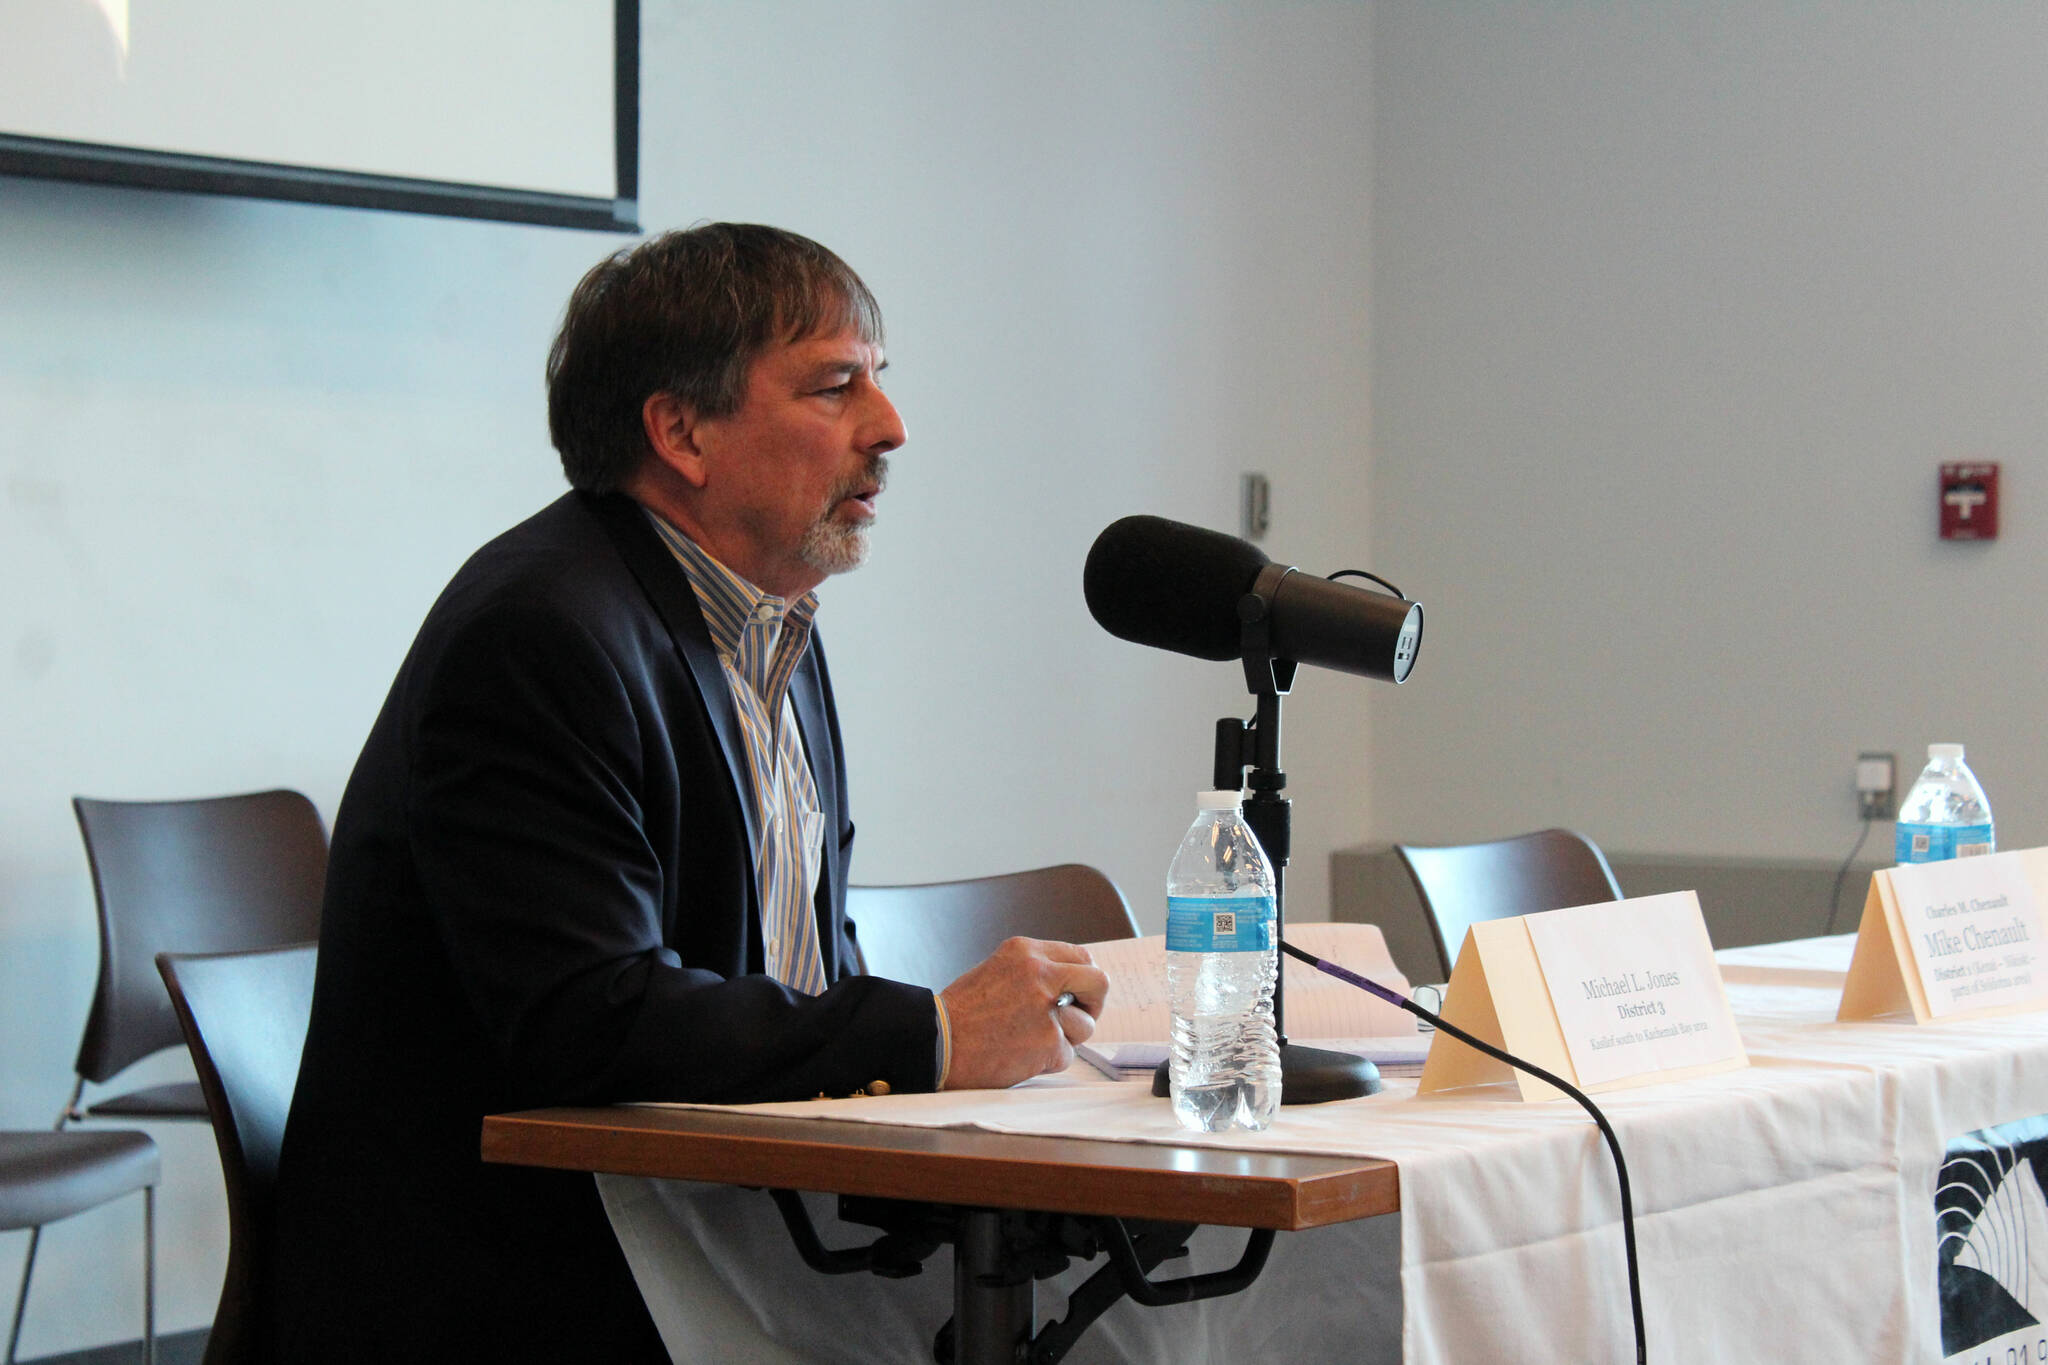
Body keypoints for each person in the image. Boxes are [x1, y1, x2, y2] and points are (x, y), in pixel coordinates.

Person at [271, 223, 1110, 1362]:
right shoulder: (540, 633)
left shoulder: (777, 630)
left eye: (880, 381)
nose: (890, 428)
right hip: (518, 1286)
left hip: (716, 1224)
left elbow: (789, 968)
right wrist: (930, 1034)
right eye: (835, 385)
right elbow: (589, 1016)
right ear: (680, 431)